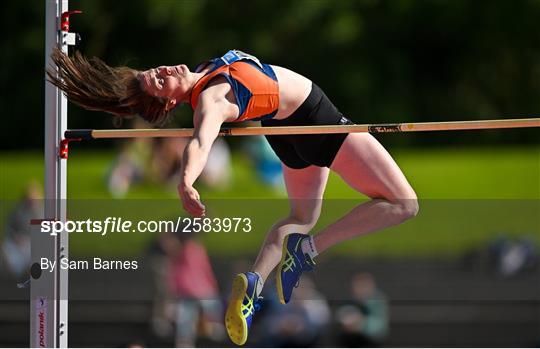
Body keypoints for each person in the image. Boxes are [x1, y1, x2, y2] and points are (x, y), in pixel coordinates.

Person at [48, 48, 419, 346]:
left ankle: (254, 282)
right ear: (167, 105)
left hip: (287, 133)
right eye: (160, 82)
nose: (164, 70)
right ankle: (309, 251)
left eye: (155, 70)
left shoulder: (204, 72)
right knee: (405, 204)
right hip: (316, 121)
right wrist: (186, 181)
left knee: (300, 218)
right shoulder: (211, 99)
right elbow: (200, 142)